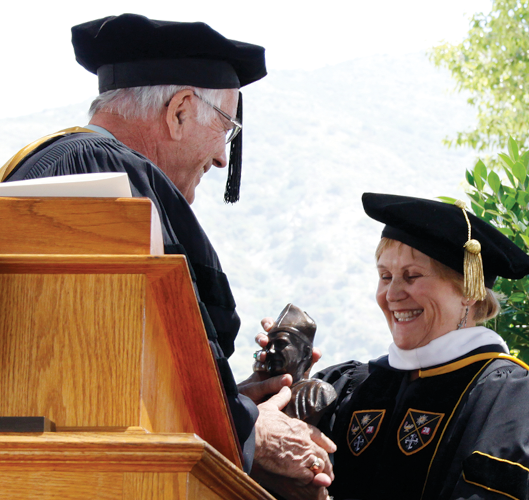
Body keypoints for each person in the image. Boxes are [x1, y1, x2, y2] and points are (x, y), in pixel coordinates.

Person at [0, 13, 335, 498]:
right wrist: (249, 428)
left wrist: (230, 403)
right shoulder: (100, 172)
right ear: (180, 111)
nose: (223, 158)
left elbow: (106, 370)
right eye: (226, 128)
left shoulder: (47, 168)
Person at [297, 193, 529, 499]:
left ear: (469, 291)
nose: (392, 294)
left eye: (411, 276)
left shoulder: (508, 397)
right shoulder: (358, 384)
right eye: (385, 276)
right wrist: (284, 388)